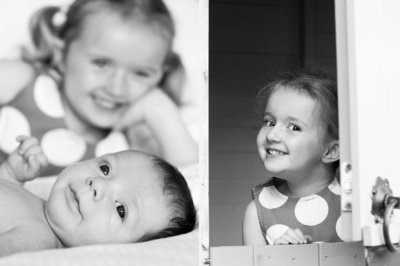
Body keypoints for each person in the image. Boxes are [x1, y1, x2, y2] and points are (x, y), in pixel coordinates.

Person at [0, 0, 198, 177]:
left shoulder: (130, 149)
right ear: (62, 55)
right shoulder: (24, 82)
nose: (117, 88)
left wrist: (160, 109)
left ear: (160, 75)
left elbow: (189, 183)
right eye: (101, 63)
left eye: (141, 73)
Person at [0, 135, 196, 257]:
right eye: (104, 168)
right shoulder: (36, 205)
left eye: (121, 210)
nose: (98, 184)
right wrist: (10, 175)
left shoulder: (37, 238)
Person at [242, 66, 342, 246]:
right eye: (269, 122)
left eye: (294, 127)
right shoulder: (257, 213)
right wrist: (278, 257)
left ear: (330, 151)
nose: (272, 135)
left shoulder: (351, 204)